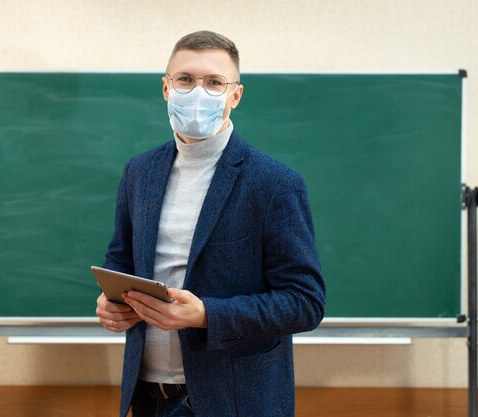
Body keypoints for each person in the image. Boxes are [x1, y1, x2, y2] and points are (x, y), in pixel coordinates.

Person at [96, 30, 325, 417]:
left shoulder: (274, 183)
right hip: (146, 393)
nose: (197, 91)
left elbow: (305, 302)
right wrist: (111, 303)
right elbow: (119, 263)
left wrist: (205, 315)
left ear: (234, 95)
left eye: (214, 82)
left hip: (232, 399)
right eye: (185, 79)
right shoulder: (140, 171)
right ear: (166, 88)